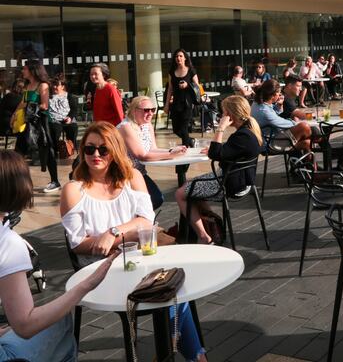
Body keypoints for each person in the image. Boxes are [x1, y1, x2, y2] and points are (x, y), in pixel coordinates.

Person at [61, 123, 207, 361]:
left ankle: (181, 354)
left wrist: (112, 233)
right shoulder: (74, 190)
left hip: (140, 256)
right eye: (89, 149)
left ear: (115, 150)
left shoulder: (133, 177)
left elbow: (147, 221)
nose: (95, 155)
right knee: (169, 289)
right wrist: (130, 233)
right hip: (99, 267)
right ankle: (194, 356)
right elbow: (79, 245)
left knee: (171, 286)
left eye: (103, 149)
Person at [0, 149, 117, 362]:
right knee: (59, 320)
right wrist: (84, 286)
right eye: (90, 149)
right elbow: (26, 325)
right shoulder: (8, 243)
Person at [176, 96, 264, 243]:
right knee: (191, 188)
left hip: (230, 185)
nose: (222, 116)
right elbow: (233, 151)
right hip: (244, 181)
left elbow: (215, 154)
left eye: (224, 113)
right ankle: (211, 221)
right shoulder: (250, 131)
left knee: (180, 193)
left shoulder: (242, 136)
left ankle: (204, 237)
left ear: (231, 115)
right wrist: (221, 148)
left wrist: (220, 128)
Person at [119, 96, 188, 210]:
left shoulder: (147, 125)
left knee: (156, 199)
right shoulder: (126, 127)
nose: (150, 113)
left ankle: (140, 222)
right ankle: (135, 223)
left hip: (138, 173)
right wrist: (171, 155)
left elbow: (152, 149)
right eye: (146, 110)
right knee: (153, 199)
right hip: (123, 174)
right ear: (134, 110)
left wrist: (173, 150)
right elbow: (141, 155)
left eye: (153, 110)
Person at [15, 60, 59, 193]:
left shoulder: (43, 85)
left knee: (47, 150)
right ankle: (17, 181)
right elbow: (23, 103)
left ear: (33, 70)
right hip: (28, 122)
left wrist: (30, 107)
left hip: (41, 123)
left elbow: (45, 105)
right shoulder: (28, 85)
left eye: (25, 69)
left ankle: (55, 181)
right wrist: (14, 115)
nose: (23, 71)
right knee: (19, 151)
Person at [251, 80, 313, 157]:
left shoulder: (259, 102)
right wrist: (314, 116)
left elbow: (271, 114)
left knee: (307, 142)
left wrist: (279, 106)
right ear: (289, 85)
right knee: (305, 127)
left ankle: (309, 166)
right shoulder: (287, 101)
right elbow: (300, 115)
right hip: (270, 142)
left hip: (270, 137)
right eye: (298, 86)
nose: (301, 89)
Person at [165, 49, 200, 148]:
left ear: (185, 58)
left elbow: (197, 86)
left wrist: (187, 85)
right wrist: (167, 105)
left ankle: (186, 149)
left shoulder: (191, 70)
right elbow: (170, 89)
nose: (178, 58)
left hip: (187, 103)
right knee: (176, 129)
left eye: (180, 56)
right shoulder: (172, 72)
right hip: (176, 103)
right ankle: (190, 141)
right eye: (176, 56)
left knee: (184, 128)